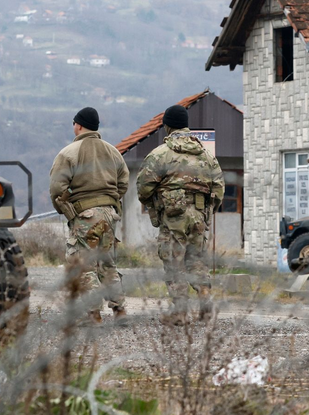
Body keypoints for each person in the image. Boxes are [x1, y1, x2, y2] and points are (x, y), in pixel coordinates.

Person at [136, 105, 224, 322]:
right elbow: (219, 188)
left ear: (167, 126)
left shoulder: (160, 155)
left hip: (173, 216)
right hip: (199, 216)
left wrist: (156, 202)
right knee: (195, 260)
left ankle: (180, 313)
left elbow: (143, 188)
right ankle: (204, 301)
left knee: (174, 262)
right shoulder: (206, 156)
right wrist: (206, 211)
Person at [49, 107, 129, 323]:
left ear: (79, 125)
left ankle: (93, 314)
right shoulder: (113, 152)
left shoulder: (68, 153)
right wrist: (110, 201)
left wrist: (67, 210)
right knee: (107, 263)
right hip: (109, 214)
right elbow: (123, 182)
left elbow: (57, 187)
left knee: (84, 264)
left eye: (74, 123)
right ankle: (119, 310)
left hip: (85, 215)